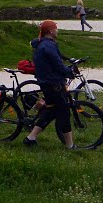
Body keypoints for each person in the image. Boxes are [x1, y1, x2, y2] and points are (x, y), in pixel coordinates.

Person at [23, 19, 75, 149]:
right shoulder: (49, 46)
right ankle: (70, 145)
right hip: (54, 84)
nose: (57, 30)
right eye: (56, 28)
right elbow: (57, 65)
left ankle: (31, 138)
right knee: (64, 112)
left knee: (51, 110)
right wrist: (69, 72)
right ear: (51, 31)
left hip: (47, 83)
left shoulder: (42, 44)